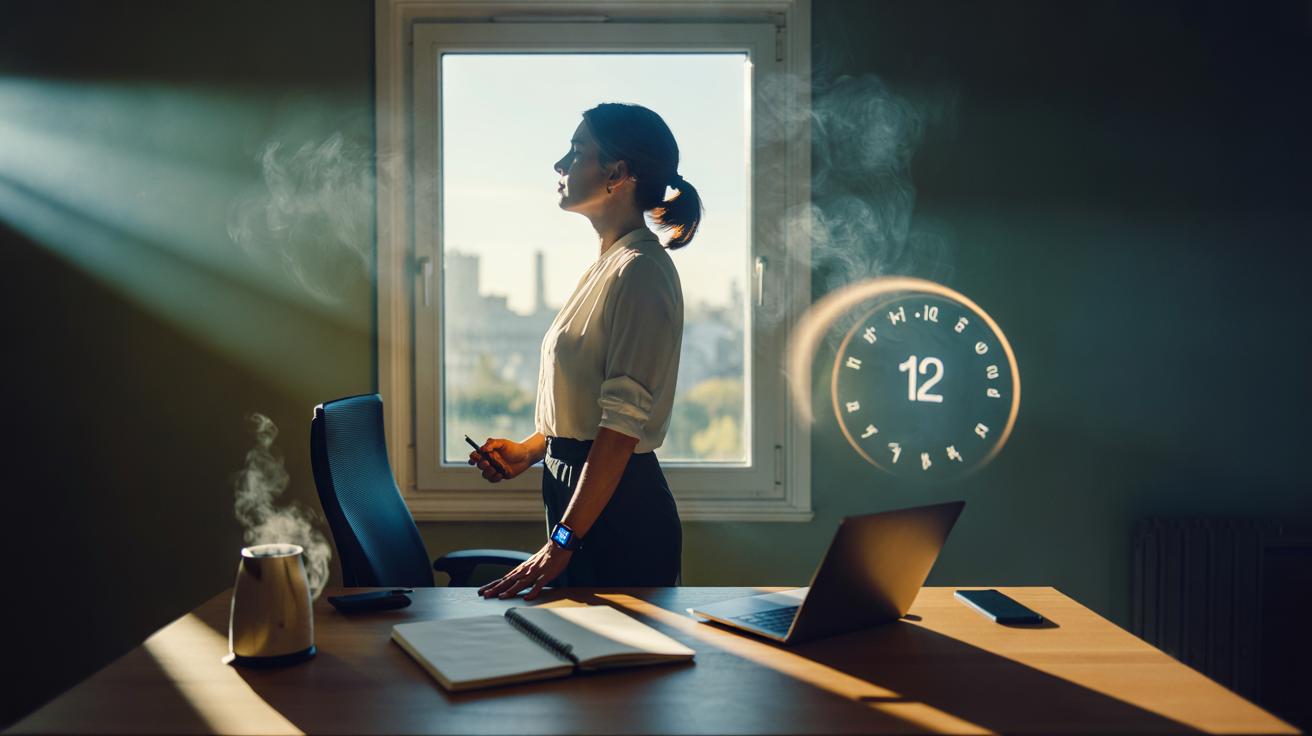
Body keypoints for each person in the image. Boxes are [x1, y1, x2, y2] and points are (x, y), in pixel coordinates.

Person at [469, 102, 702, 600]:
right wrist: (532, 450)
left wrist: (562, 541)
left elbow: (619, 430)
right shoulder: (608, 264)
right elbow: (584, 415)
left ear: (617, 173)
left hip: (619, 515)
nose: (560, 165)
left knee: (616, 672)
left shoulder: (640, 272)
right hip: (581, 492)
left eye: (576, 151)